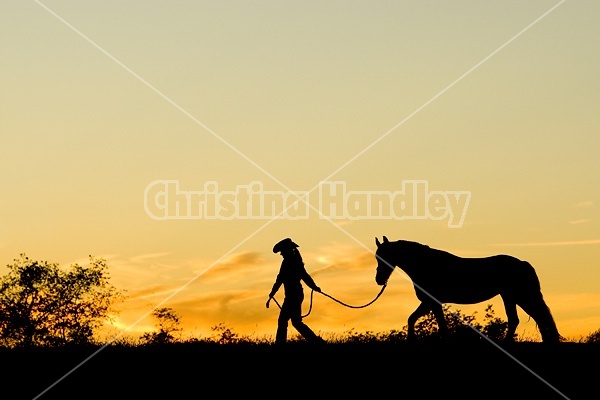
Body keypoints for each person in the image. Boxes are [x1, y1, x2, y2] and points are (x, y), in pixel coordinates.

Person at [266, 238, 325, 345]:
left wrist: (314, 286)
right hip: (295, 295)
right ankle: (315, 341)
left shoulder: (291, 261)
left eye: (282, 251)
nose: (281, 254)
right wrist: (314, 286)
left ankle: (280, 344)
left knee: (283, 321)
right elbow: (303, 275)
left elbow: (283, 278)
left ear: (287, 250)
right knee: (296, 322)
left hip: (292, 296)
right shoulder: (293, 260)